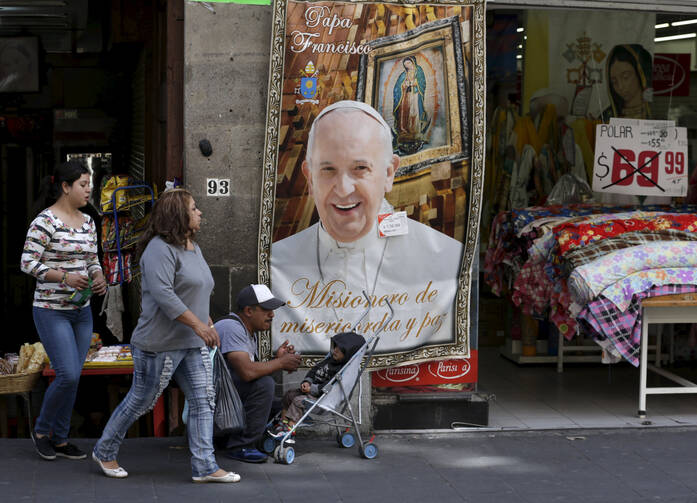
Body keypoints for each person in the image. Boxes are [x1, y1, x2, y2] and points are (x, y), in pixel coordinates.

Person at [270, 101, 463, 357]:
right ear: (309, 177)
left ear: (389, 174)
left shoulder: (446, 257)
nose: (344, 189)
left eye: (360, 169)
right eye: (328, 170)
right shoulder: (277, 261)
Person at [92, 188, 239, 483]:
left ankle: (205, 466)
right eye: (194, 208)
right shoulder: (159, 249)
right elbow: (164, 295)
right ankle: (104, 449)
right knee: (141, 400)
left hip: (191, 343)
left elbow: (196, 288)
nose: (200, 213)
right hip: (158, 343)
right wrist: (198, 325)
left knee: (203, 399)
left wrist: (204, 318)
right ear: (178, 215)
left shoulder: (192, 247)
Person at [20, 160, 108, 461]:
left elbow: (93, 259)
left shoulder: (87, 221)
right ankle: (42, 431)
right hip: (50, 310)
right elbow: (28, 262)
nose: (88, 190)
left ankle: (60, 439)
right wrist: (64, 277)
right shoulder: (45, 221)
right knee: (68, 374)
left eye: (89, 184)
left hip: (81, 311)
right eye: (83, 184)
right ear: (65, 187)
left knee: (75, 374)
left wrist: (98, 277)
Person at [214, 284, 302, 463]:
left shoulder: (247, 331)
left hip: (225, 400)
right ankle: (241, 445)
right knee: (264, 384)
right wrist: (280, 363)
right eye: (267, 310)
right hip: (216, 403)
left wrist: (277, 359)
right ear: (248, 310)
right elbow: (247, 372)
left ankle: (263, 436)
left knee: (285, 405)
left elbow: (248, 369)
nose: (272, 315)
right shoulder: (232, 328)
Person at [272, 331, 364, 435]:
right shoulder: (329, 360)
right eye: (335, 346)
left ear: (347, 354)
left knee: (298, 400)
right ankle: (283, 423)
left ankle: (290, 429)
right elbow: (314, 371)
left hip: (321, 399)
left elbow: (329, 386)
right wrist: (307, 382)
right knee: (289, 395)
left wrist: (311, 389)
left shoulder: (341, 370)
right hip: (309, 392)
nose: (335, 350)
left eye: (340, 349)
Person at [602, 44, 652, 121]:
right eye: (614, 82)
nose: (620, 87)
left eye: (625, 77)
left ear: (641, 74)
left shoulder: (658, 112)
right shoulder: (606, 117)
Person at [393, 55, 429, 147]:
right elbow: (397, 87)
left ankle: (415, 131)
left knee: (414, 112)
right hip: (405, 96)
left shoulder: (418, 70)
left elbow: (422, 82)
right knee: (404, 113)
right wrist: (403, 85)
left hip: (415, 94)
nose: (407, 66)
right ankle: (404, 131)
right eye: (405, 65)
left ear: (413, 62)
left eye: (408, 63)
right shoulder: (404, 74)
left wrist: (414, 83)